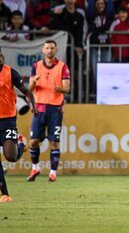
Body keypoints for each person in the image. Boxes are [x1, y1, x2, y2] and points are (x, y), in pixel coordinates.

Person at [27, 40, 71, 183]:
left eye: (52, 48)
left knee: (54, 142)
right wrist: (34, 81)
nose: (49, 50)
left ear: (56, 49)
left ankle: (53, 173)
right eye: (47, 48)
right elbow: (29, 89)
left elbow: (67, 88)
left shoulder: (62, 67)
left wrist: (60, 89)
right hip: (39, 108)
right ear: (43, 50)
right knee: (33, 141)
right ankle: (35, 167)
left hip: (55, 108)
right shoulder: (36, 66)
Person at [0, 48, 38, 202]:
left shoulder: (10, 72)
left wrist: (33, 105)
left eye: (0, 55)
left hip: (7, 119)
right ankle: (5, 194)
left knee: (11, 157)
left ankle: (21, 143)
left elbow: (26, 91)